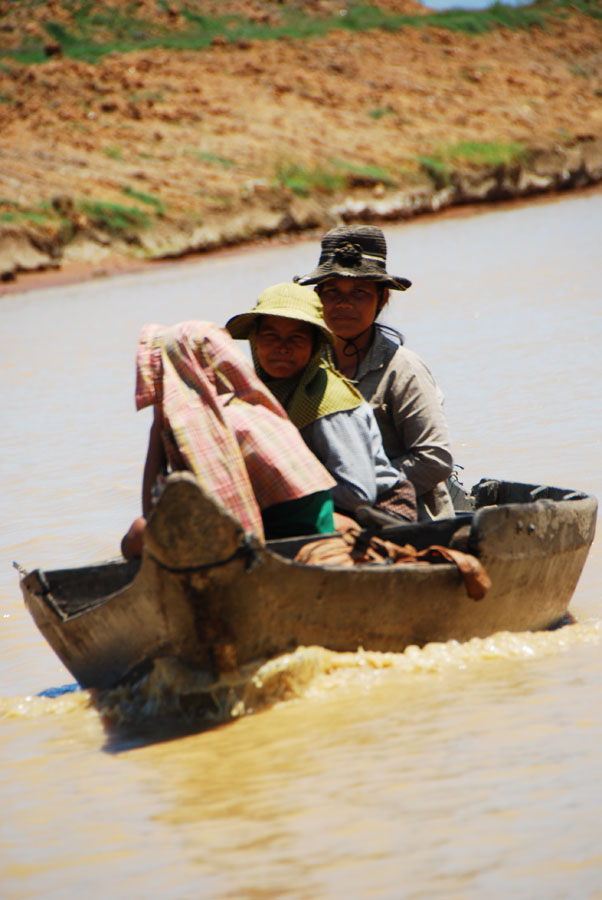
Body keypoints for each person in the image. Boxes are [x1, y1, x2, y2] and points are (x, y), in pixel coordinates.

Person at [120, 320, 337, 559]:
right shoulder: (254, 407)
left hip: (283, 545)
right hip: (313, 531)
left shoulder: (206, 424)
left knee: (137, 534)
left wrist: (157, 423)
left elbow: (153, 513)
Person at [294, 225, 454, 520]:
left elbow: (435, 459)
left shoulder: (403, 369)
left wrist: (361, 487)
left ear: (382, 299)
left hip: (409, 523)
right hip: (333, 516)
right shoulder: (305, 368)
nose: (344, 303)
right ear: (317, 297)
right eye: (332, 291)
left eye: (359, 292)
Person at [225, 282, 416, 524]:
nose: (282, 348)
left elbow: (357, 494)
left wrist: (280, 483)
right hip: (309, 506)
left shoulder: (330, 403)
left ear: (315, 346)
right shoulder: (257, 399)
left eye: (296, 338)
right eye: (271, 336)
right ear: (254, 341)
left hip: (380, 512)